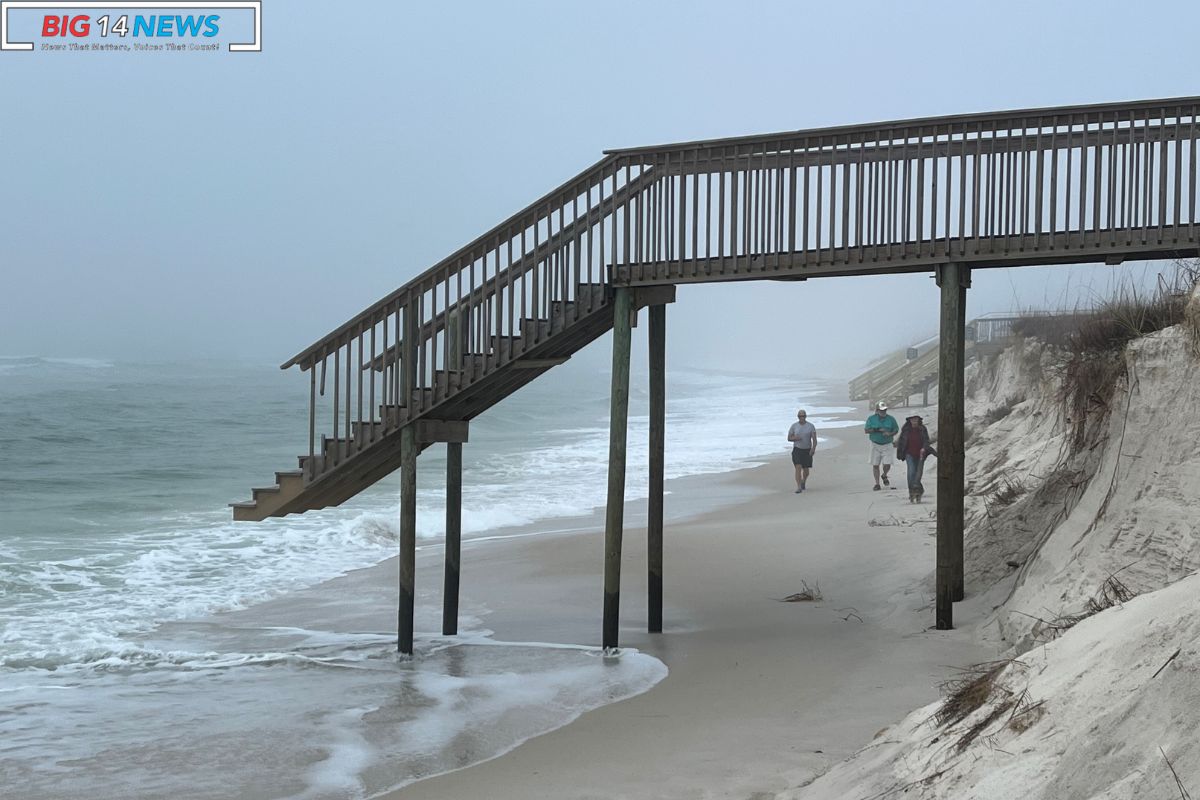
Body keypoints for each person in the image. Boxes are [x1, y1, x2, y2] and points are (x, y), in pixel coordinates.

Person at [896, 414, 938, 502]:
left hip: (921, 454)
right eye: (912, 420)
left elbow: (926, 440)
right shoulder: (906, 429)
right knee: (911, 472)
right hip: (909, 453)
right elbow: (901, 440)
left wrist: (924, 448)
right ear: (910, 421)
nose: (914, 421)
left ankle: (918, 490)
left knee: (918, 473)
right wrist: (899, 451)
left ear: (919, 420)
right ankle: (912, 491)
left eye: (916, 420)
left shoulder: (922, 429)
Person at [864, 401, 899, 490]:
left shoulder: (891, 419)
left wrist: (890, 434)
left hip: (887, 444)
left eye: (885, 410)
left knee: (887, 463)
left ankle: (884, 475)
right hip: (875, 444)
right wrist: (877, 429)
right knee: (875, 464)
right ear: (877, 410)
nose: (883, 412)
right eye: (881, 410)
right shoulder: (871, 419)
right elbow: (866, 430)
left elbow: (896, 429)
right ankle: (877, 484)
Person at [787, 409, 818, 493]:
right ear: (798, 417)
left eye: (803, 416)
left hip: (807, 450)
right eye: (800, 416)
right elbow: (789, 438)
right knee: (798, 467)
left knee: (806, 471)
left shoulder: (810, 426)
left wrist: (813, 448)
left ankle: (803, 481)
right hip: (797, 450)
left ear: (806, 416)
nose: (802, 418)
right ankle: (798, 487)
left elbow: (814, 439)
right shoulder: (794, 426)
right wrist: (795, 438)